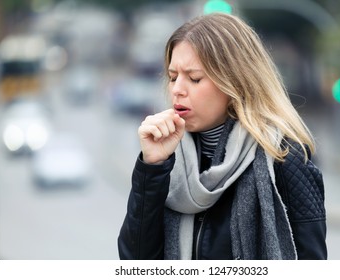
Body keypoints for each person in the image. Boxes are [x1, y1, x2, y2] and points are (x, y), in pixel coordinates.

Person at [117, 12, 327, 260]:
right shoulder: (167, 159)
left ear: (235, 82)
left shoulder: (285, 159)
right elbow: (135, 261)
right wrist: (151, 168)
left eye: (194, 79)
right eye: (173, 77)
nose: (178, 90)